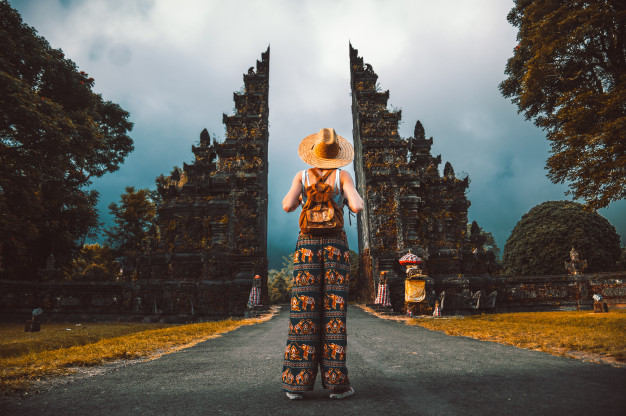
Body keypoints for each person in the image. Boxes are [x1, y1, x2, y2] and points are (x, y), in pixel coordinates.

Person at [281, 128, 364, 400]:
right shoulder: (343, 176)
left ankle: (296, 385)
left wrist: (305, 200)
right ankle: (337, 385)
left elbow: (287, 206)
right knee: (333, 316)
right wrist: (345, 197)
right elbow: (358, 206)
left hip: (306, 248)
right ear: (337, 154)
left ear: (313, 153)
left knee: (303, 314)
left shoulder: (301, 176)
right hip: (335, 248)